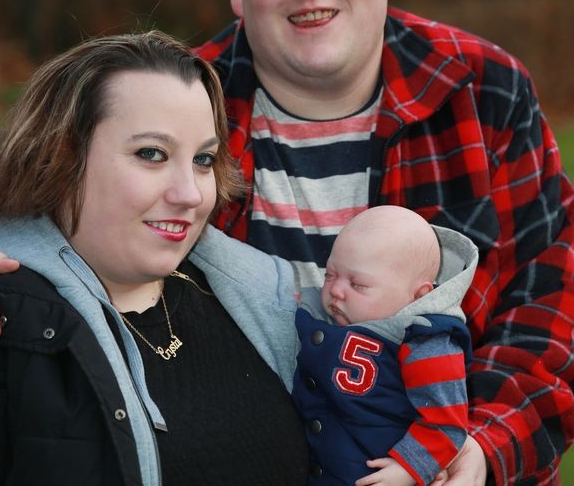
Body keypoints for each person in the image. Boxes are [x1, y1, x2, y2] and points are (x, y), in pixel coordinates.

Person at [0, 0, 573, 483]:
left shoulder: (480, 92)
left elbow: (551, 296)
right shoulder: (183, 103)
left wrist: (479, 448)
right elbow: (40, 184)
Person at [0, 31, 310, 485]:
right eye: (152, 154)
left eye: (204, 160)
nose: (190, 194)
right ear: (59, 157)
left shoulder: (260, 298)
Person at [192, 204, 478, 485]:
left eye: (358, 285)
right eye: (330, 274)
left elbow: (446, 422)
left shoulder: (427, 343)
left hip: (377, 471)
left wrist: (409, 468)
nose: (336, 290)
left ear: (417, 296)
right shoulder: (320, 313)